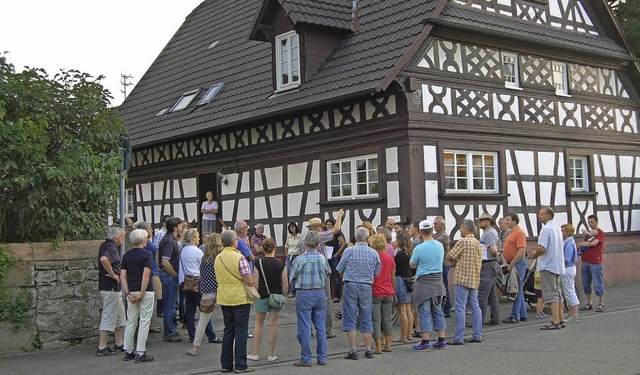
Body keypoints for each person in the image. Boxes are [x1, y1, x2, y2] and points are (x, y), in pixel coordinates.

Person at [336, 226, 381, 360]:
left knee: (350, 317)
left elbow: (340, 268)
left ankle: (353, 350)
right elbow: (377, 272)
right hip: (367, 286)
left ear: (356, 238)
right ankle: (368, 349)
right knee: (366, 317)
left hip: (350, 285)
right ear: (368, 238)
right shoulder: (374, 253)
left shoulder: (349, 251)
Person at [214, 230, 256, 373]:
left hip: (224, 296)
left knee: (228, 330)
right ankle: (240, 364)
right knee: (241, 331)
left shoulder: (218, 258)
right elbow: (248, 280)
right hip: (239, 296)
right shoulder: (240, 257)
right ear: (234, 242)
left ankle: (226, 364)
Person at [300, 209, 345, 339]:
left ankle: (308, 331)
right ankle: (326, 331)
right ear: (319, 228)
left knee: (308, 304)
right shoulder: (319, 236)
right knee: (325, 301)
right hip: (321, 273)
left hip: (307, 275)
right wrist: (339, 216)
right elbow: (336, 229)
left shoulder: (303, 240)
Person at [289, 231, 330, 367]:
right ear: (318, 243)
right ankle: (322, 357)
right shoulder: (322, 258)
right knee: (320, 327)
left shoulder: (299, 259)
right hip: (319, 292)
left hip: (304, 293)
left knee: (305, 327)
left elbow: (291, 277)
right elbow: (326, 274)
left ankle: (306, 358)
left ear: (305, 242)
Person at [248, 238, 288, 363]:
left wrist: (255, 296)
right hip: (276, 296)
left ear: (263, 249)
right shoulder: (281, 263)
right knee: (273, 325)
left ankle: (255, 353)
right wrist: (283, 295)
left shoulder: (258, 264)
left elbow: (255, 283)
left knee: (258, 324)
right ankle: (271, 354)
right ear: (274, 248)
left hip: (262, 296)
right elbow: (286, 284)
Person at [410, 220, 447, 351]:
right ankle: (441, 339)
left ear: (420, 232)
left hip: (424, 282)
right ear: (432, 230)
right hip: (438, 281)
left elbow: (412, 264)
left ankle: (425, 341)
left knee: (424, 312)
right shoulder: (439, 245)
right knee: (438, 311)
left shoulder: (419, 248)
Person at [180, 228, 220, 344]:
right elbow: (203, 266)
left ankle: (192, 334)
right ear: (193, 238)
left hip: (187, 282)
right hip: (198, 281)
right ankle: (211, 335)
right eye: (197, 237)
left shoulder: (184, 250)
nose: (199, 239)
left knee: (190, 309)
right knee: (205, 310)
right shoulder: (197, 251)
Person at [121, 229, 155, 363]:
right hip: (145, 290)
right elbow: (146, 275)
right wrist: (142, 293)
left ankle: (128, 350)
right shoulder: (147, 254)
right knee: (144, 321)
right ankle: (140, 352)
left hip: (131, 289)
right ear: (143, 240)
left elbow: (123, 275)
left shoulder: (126, 255)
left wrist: (127, 292)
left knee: (131, 320)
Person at [446, 219, 483, 345]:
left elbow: (449, 256)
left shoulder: (463, 241)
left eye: (461, 227)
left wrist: (455, 262)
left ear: (466, 229)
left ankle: (458, 337)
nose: (460, 229)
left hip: (462, 277)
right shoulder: (478, 243)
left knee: (460, 307)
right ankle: (477, 334)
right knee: (475, 307)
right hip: (474, 278)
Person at [187, 233, 224, 356]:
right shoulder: (221, 257)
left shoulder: (204, 257)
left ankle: (195, 347)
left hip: (207, 291)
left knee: (203, 320)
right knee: (230, 320)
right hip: (222, 290)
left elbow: (201, 274)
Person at [529, 207, 565, 330]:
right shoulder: (557, 228)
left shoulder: (546, 229)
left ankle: (555, 321)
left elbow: (542, 248)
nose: (539, 216)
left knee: (550, 293)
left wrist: (534, 254)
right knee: (558, 292)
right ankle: (560, 319)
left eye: (542, 214)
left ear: (548, 216)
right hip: (557, 264)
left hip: (548, 264)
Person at [96, 227, 126, 356]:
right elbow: (104, 259)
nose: (123, 239)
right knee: (108, 315)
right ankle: (102, 347)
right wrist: (113, 274)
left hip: (112, 287)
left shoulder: (106, 245)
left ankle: (119, 343)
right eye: (121, 236)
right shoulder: (111, 247)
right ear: (115, 238)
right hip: (111, 287)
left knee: (119, 315)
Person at [133, 221, 162, 333]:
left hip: (153, 272)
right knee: (150, 300)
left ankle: (148, 323)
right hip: (151, 274)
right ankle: (148, 324)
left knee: (150, 301)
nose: (152, 230)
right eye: (150, 228)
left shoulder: (147, 243)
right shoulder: (146, 245)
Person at [158, 217, 184, 342]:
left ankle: (171, 330)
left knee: (172, 303)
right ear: (175, 227)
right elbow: (164, 261)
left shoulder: (170, 239)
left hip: (167, 274)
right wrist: (174, 274)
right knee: (170, 304)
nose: (182, 227)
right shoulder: (169, 241)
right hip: (169, 275)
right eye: (180, 225)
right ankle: (170, 332)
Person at [369, 234, 396, 354]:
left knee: (376, 320)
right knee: (387, 320)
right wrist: (394, 291)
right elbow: (393, 277)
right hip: (388, 291)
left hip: (375, 291)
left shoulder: (372, 257)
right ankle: (388, 345)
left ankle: (378, 346)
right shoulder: (389, 258)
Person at [502, 212, 529, 323]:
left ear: (514, 220)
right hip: (513, 263)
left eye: (508, 220)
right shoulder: (512, 232)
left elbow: (521, 250)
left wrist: (512, 264)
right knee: (519, 289)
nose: (506, 222)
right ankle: (522, 314)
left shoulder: (520, 233)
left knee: (516, 289)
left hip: (518, 264)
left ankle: (515, 316)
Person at [577, 214, 606, 312]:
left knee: (598, 282)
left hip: (595, 261)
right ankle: (589, 302)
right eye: (589, 222)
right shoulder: (589, 233)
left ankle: (601, 303)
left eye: (592, 222)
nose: (590, 224)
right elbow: (585, 245)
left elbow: (594, 243)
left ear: (597, 222)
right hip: (585, 260)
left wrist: (582, 244)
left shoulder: (600, 233)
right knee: (586, 283)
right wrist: (584, 238)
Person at [476, 213, 501, 325]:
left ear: (489, 221)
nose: (479, 222)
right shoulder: (492, 232)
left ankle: (479, 320)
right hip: (491, 264)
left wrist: (495, 256)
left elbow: (493, 250)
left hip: (488, 265)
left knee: (482, 294)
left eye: (482, 220)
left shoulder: (489, 233)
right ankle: (495, 318)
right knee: (492, 295)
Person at [393, 230, 414, 343]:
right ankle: (409, 334)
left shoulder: (400, 254)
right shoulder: (410, 252)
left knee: (402, 310)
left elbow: (394, 266)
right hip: (409, 280)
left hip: (401, 280)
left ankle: (403, 336)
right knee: (408, 309)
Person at [560, 224, 580, 323]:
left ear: (568, 232)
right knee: (567, 291)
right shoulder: (567, 242)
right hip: (568, 269)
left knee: (569, 291)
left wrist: (559, 266)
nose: (561, 232)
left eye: (563, 230)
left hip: (567, 269)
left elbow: (567, 259)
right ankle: (570, 312)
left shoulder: (569, 243)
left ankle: (574, 314)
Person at [433, 216, 451, 317]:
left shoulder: (444, 236)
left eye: (437, 224)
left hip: (443, 264)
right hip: (438, 264)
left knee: (444, 286)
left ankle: (446, 309)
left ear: (442, 225)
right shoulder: (435, 235)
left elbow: (433, 243)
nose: (435, 225)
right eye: (434, 223)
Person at [325, 218, 347, 303]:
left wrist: (337, 253)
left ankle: (337, 296)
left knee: (336, 276)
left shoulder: (337, 233)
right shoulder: (325, 234)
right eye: (327, 224)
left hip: (334, 256)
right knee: (326, 276)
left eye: (330, 224)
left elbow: (343, 243)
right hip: (326, 256)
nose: (328, 226)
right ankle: (328, 295)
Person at [284, 222, 302, 297]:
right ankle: (286, 289)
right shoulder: (289, 236)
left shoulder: (300, 236)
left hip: (297, 256)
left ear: (296, 227)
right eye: (290, 227)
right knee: (287, 272)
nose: (292, 229)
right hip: (289, 256)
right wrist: (286, 254)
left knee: (295, 273)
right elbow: (286, 246)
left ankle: (292, 291)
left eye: (293, 227)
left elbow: (301, 246)